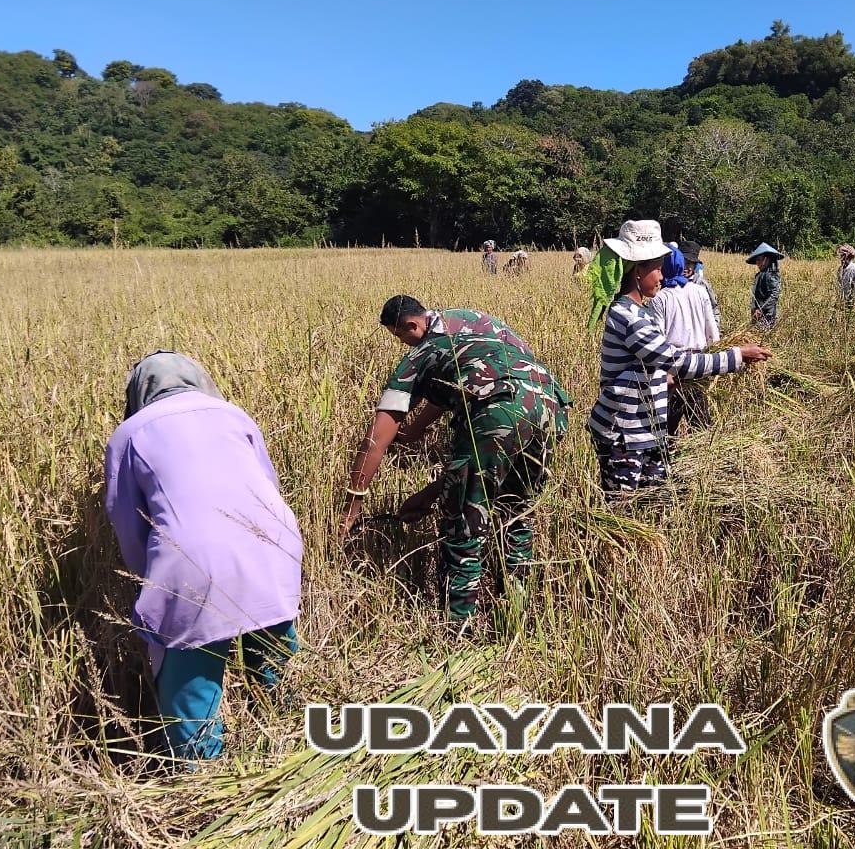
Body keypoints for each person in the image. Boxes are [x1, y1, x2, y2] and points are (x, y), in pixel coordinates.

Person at [104, 351, 302, 763]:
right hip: (273, 544)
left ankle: (204, 776)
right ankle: (293, 738)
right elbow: (268, 481)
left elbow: (127, 521)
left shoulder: (130, 433)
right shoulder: (233, 414)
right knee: (274, 654)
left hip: (190, 563)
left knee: (190, 681)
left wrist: (154, 580)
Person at [341, 296, 570, 624]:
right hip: (549, 406)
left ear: (412, 325)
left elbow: (376, 440)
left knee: (462, 528)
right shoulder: (473, 322)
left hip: (499, 412)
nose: (402, 344)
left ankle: (457, 631)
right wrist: (420, 436)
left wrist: (352, 506)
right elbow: (467, 390)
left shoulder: (418, 357)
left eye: (400, 336)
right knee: (516, 515)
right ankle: (515, 619)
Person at [586, 220, 771, 494]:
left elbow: (652, 366)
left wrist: (662, 377)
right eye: (658, 268)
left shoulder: (642, 311)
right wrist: (737, 356)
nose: (662, 275)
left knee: (656, 500)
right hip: (624, 433)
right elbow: (676, 361)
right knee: (622, 509)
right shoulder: (627, 316)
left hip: (647, 429)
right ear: (638, 271)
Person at [648, 242, 720, 437]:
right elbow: (713, 334)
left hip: (674, 369)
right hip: (699, 365)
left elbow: (658, 340)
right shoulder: (699, 291)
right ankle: (704, 461)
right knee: (701, 425)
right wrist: (713, 364)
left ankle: (667, 460)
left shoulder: (660, 298)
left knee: (665, 428)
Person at [681, 239, 721, 333]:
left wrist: (714, 331)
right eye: (683, 262)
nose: (685, 267)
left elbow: (714, 309)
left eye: (689, 263)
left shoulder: (701, 284)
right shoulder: (671, 284)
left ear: (695, 265)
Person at [747, 242, 785, 329]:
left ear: (767, 259)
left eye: (760, 260)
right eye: (757, 260)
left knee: (762, 338)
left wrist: (761, 310)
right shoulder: (760, 275)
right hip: (757, 315)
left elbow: (774, 295)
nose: (757, 263)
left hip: (767, 316)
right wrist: (754, 309)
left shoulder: (772, 275)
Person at [837, 244, 855, 308]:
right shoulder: (840, 269)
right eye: (840, 256)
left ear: (848, 257)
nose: (841, 258)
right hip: (842, 302)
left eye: (843, 256)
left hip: (851, 303)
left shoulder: (854, 270)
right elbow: (838, 286)